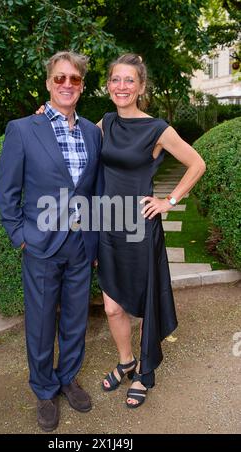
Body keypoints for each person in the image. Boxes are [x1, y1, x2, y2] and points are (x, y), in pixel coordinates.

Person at [0, 51, 102, 431]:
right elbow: (6, 190)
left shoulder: (92, 131)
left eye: (74, 79)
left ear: (82, 86)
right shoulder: (23, 129)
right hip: (40, 244)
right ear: (48, 83)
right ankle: (44, 390)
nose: (67, 84)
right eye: (60, 78)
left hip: (80, 246)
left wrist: (93, 239)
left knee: (75, 320)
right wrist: (20, 236)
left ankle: (68, 377)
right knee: (41, 323)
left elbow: (93, 190)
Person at [96, 53, 206, 408]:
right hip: (109, 224)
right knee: (112, 307)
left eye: (129, 80)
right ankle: (125, 360)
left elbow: (196, 163)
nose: (121, 86)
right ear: (109, 85)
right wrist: (44, 115)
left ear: (141, 87)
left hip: (140, 227)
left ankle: (144, 371)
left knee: (144, 301)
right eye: (116, 79)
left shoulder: (157, 128)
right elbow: (71, 137)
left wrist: (168, 201)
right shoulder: (105, 122)